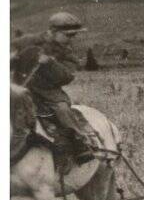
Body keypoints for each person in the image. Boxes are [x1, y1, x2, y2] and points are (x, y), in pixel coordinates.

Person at [10, 12, 93, 163]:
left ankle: (80, 143)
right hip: (20, 89)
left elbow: (67, 76)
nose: (71, 39)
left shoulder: (68, 53)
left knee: (63, 109)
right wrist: (12, 57)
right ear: (53, 32)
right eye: (68, 35)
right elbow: (11, 49)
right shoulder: (28, 41)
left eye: (73, 35)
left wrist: (49, 63)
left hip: (50, 94)